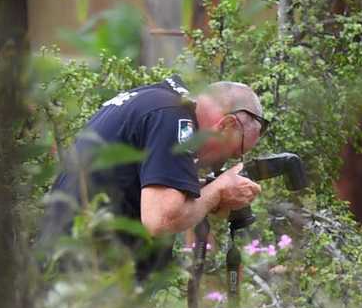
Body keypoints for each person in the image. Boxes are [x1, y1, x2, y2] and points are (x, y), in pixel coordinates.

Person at [40, 76, 269, 279]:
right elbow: (160, 220)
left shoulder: (156, 102)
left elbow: (134, 184)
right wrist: (218, 190)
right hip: (87, 278)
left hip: (71, 268)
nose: (228, 161)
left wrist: (207, 194)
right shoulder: (175, 118)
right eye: (236, 150)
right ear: (226, 124)